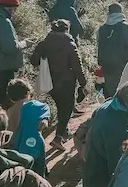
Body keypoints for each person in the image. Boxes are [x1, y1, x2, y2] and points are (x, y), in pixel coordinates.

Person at [30, 19, 87, 152]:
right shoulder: (69, 44)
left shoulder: (44, 43)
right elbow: (77, 66)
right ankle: (58, 138)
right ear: (67, 29)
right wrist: (83, 84)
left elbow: (33, 61)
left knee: (60, 106)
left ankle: (64, 131)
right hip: (66, 82)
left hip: (50, 82)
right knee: (66, 109)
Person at [8, 80, 51, 178]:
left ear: (10, 97)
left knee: (23, 172)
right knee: (39, 171)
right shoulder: (37, 106)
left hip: (17, 148)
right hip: (35, 144)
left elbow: (9, 132)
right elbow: (44, 118)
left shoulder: (10, 111)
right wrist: (44, 122)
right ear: (28, 92)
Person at [97, 2, 128, 98]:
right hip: (126, 67)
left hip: (107, 68)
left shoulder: (101, 29)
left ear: (109, 13)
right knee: (125, 96)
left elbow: (99, 48)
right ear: (121, 12)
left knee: (109, 96)